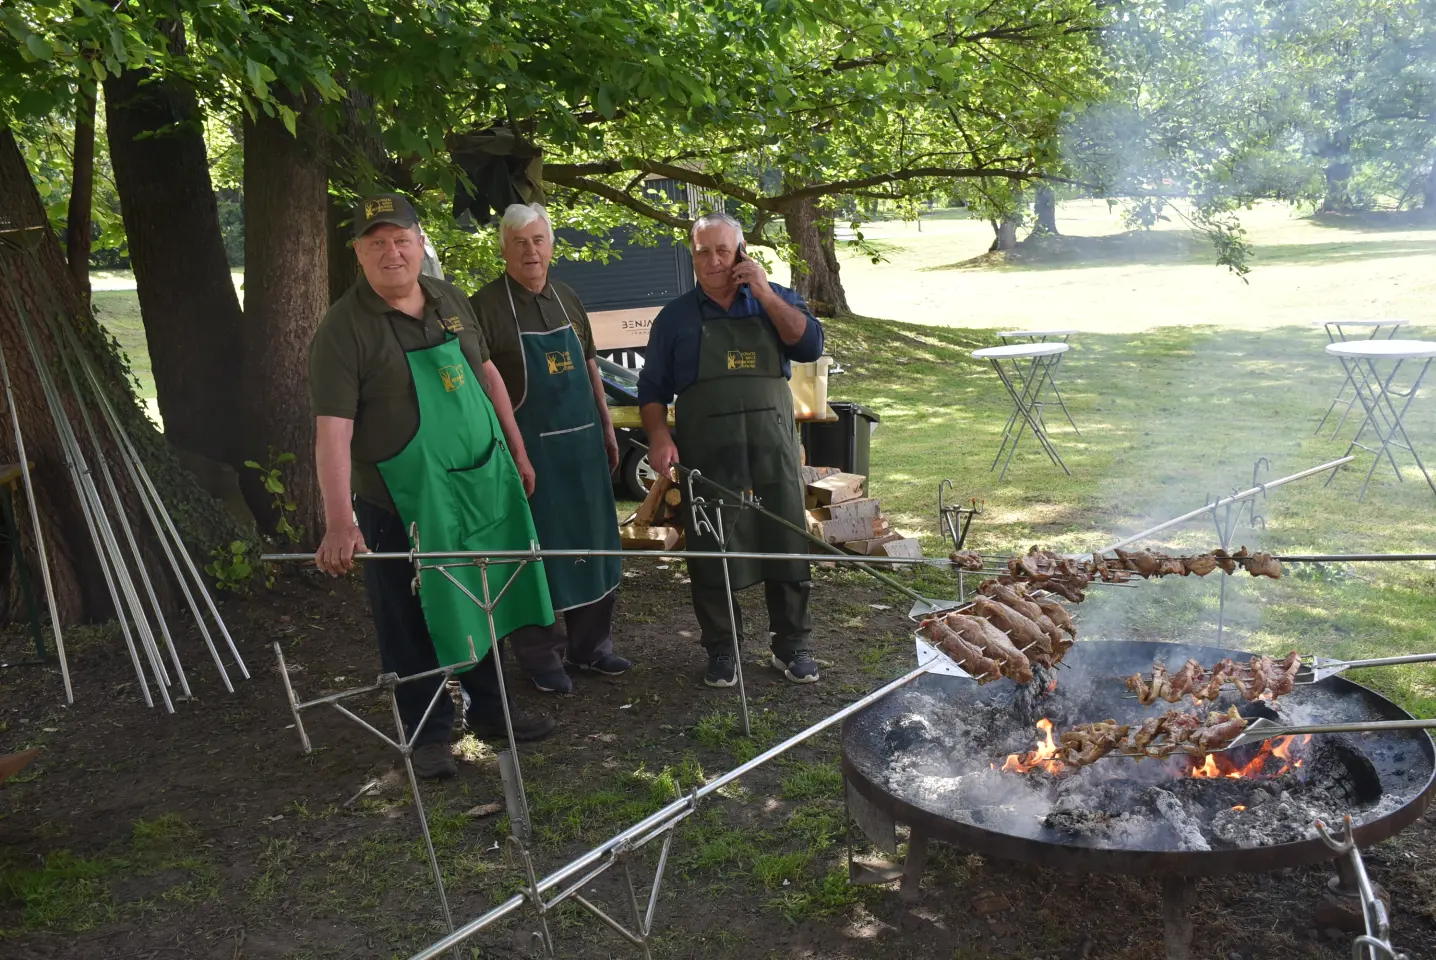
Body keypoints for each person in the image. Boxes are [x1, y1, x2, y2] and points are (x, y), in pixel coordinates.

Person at [308, 192, 557, 780]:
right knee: (407, 617)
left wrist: (515, 449)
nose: (391, 252)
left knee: (481, 597)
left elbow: (485, 371)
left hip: (475, 484)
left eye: (401, 240)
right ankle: (427, 737)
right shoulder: (344, 330)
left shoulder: (447, 298)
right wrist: (340, 520)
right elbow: (333, 431)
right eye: (377, 243)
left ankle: (494, 715)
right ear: (358, 253)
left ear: (421, 244)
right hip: (399, 503)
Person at [637, 211, 826, 687]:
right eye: (703, 251)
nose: (714, 260)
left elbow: (809, 346)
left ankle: (792, 646)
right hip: (708, 455)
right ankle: (722, 651)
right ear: (693, 254)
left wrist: (762, 292)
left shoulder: (774, 298)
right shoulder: (675, 317)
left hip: (772, 449)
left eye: (723, 250)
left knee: (785, 542)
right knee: (711, 548)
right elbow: (653, 387)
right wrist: (659, 437)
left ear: (740, 251)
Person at [470, 203, 631, 694]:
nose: (531, 251)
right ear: (503, 249)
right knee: (535, 554)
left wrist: (607, 428)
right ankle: (542, 658)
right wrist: (513, 454)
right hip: (531, 455)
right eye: (519, 242)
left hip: (583, 449)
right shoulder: (486, 306)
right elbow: (482, 389)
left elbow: (589, 367)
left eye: (538, 240)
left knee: (592, 546)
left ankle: (592, 647)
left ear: (552, 246)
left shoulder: (567, 297)